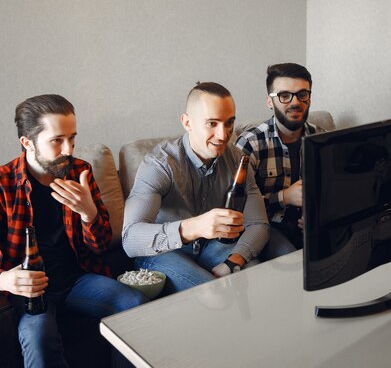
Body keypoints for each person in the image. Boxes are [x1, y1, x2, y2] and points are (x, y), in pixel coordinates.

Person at [0, 94, 146, 368]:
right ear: (27, 142)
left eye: (72, 138)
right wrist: (3, 280)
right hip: (31, 291)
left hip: (77, 279)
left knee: (135, 303)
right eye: (57, 140)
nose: (68, 149)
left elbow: (101, 245)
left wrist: (88, 213)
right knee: (38, 336)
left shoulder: (80, 172)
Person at [122, 82, 270, 293]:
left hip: (213, 246)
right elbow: (130, 239)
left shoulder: (238, 159)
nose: (223, 135)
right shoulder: (159, 163)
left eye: (229, 123)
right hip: (163, 252)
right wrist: (195, 227)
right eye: (212, 123)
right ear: (187, 122)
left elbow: (259, 224)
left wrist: (233, 261)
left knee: (255, 281)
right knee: (215, 294)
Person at [235, 63, 325, 258]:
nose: (295, 102)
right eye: (284, 96)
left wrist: (321, 212)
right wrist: (284, 197)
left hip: (312, 225)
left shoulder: (322, 139)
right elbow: (237, 208)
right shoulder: (250, 144)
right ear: (269, 101)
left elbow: (335, 190)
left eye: (302, 94)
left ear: (309, 98)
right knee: (292, 259)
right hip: (269, 227)